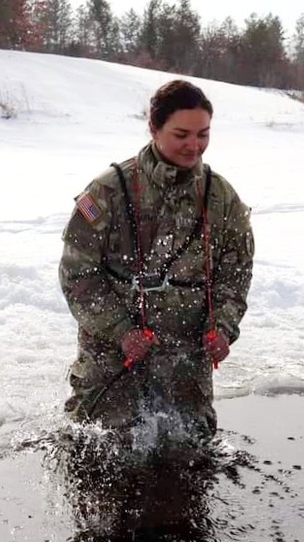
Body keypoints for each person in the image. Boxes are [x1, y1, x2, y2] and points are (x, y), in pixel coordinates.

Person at [59, 79, 254, 443]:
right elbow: (77, 275)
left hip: (185, 362)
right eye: (181, 134)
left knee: (191, 455)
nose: (194, 146)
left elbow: (236, 272)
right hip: (113, 358)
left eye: (203, 134)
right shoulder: (108, 191)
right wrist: (122, 332)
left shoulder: (221, 197)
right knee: (96, 448)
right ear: (154, 128)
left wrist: (223, 328)